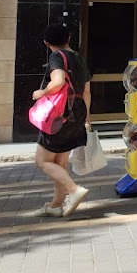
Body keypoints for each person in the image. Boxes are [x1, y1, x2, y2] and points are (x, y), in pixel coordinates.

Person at [32, 24, 91, 217]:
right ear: (69, 37)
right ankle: (56, 205)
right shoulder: (80, 59)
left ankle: (73, 190)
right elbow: (87, 91)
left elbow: (57, 82)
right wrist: (87, 117)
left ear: (46, 43)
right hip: (78, 112)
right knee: (60, 162)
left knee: (42, 161)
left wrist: (41, 93)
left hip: (60, 115)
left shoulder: (57, 57)